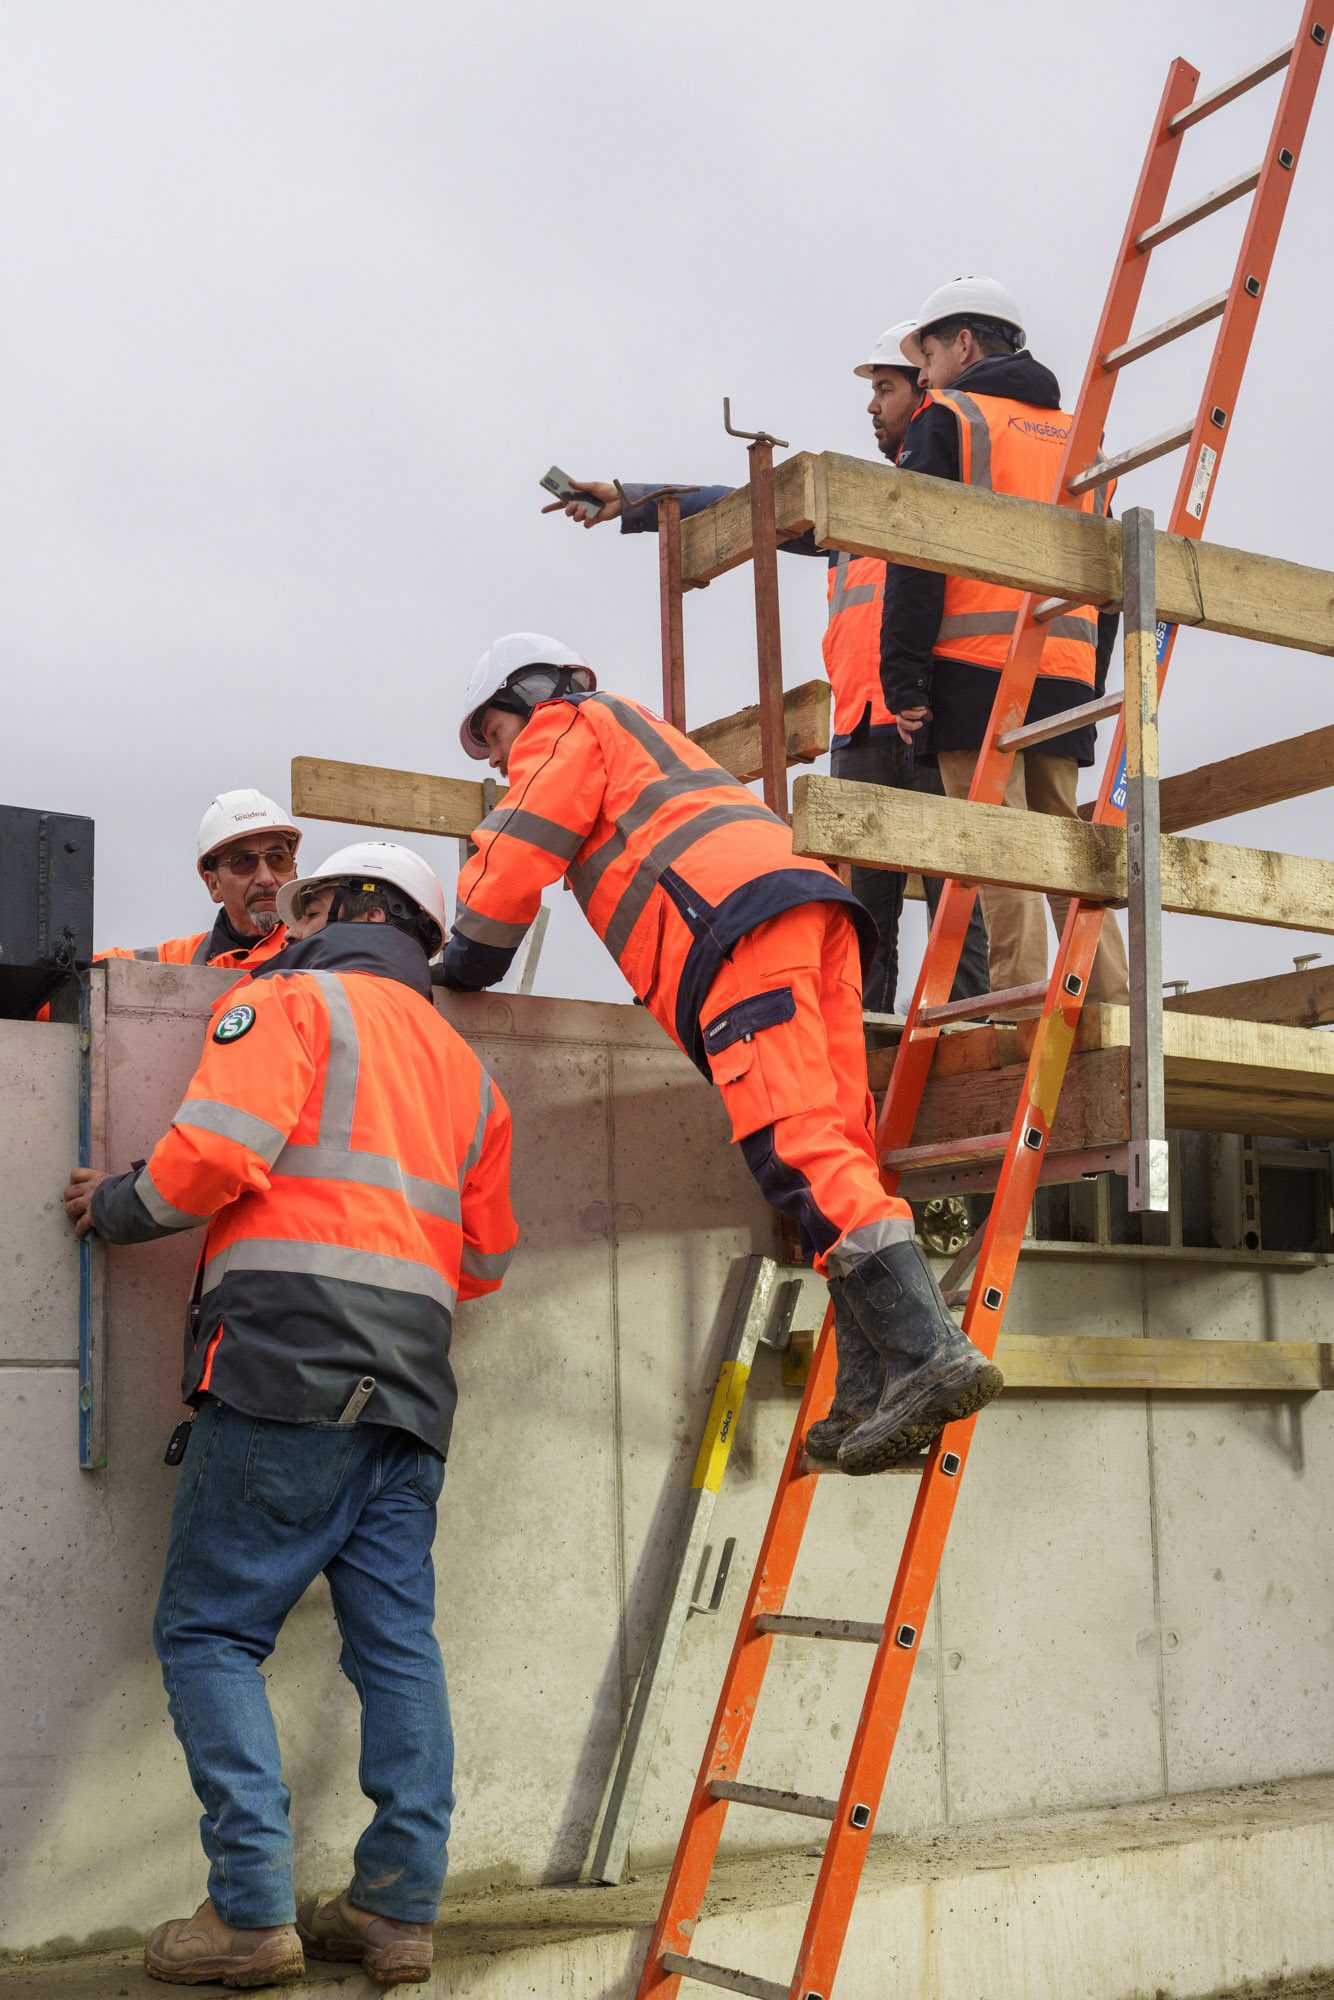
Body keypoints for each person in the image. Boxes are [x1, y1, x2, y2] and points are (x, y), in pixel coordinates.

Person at [62, 841, 517, 1989]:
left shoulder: (288, 1001)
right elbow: (487, 1257)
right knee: (396, 1650)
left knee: (210, 1632)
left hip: (279, 1372)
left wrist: (113, 1205)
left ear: (318, 910)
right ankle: (395, 1910)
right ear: (420, 933)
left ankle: (252, 1909)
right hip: (409, 1393)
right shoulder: (469, 1072)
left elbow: (211, 1156)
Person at [439, 633, 1002, 1483]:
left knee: (796, 1145)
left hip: (739, 933)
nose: (495, 756)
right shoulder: (640, 736)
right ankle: (871, 1379)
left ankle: (926, 1352)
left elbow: (513, 858)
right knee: (835, 1147)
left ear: (523, 696)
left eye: (489, 734)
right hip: (812, 916)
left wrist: (459, 960)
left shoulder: (566, 725)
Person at [540, 327, 989, 1014]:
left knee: (962, 889)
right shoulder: (851, 498)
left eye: (886, 388)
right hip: (861, 730)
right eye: (872, 390)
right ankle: (862, 1037)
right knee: (862, 909)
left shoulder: (950, 493)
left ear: (925, 387)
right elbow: (749, 503)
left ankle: (975, 1022)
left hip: (927, 720)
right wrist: (633, 499)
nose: (873, 405)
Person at [882, 277, 1130, 1007]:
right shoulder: (1080, 432)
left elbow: (917, 552)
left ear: (962, 343)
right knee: (1066, 846)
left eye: (924, 353)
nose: (920, 374)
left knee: (1001, 847)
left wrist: (904, 678)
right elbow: (1110, 569)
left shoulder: (948, 417)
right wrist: (1086, 679)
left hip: (972, 671)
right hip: (1064, 674)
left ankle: (1018, 1012)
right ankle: (1112, 1004)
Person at [100, 788, 302, 970]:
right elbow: (88, 965)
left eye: (278, 859)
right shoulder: (185, 961)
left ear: (294, 872)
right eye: (244, 862)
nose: (265, 878)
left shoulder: (317, 949)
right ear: (213, 884)